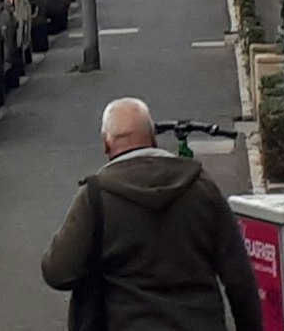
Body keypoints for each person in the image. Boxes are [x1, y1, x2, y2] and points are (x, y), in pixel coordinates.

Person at [42, 98, 261, 331]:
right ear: (153, 138)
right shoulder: (201, 186)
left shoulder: (96, 197)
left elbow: (58, 272)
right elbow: (239, 278)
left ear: (106, 144)